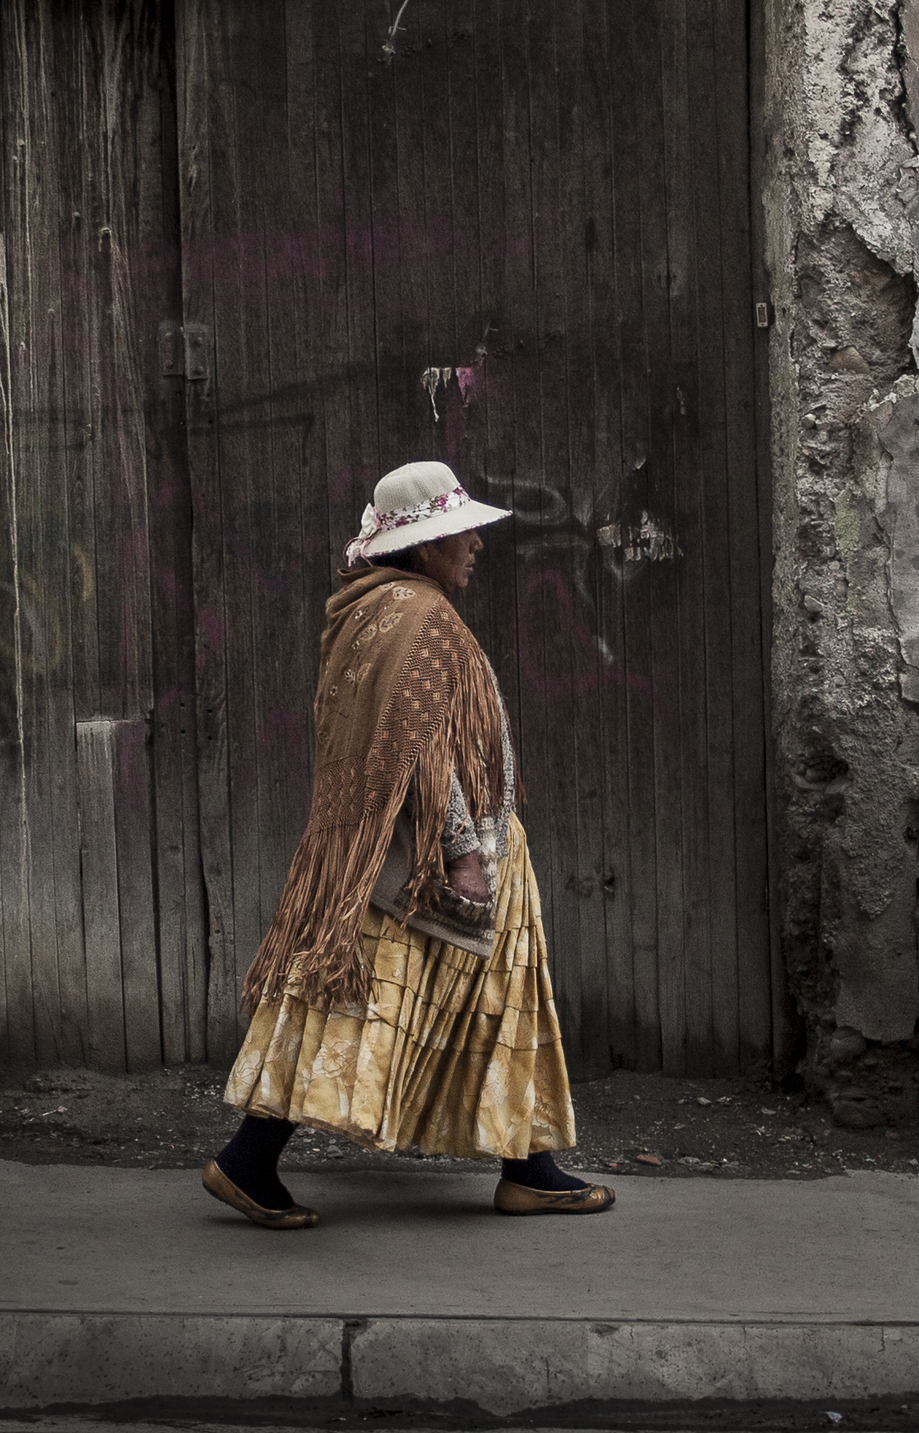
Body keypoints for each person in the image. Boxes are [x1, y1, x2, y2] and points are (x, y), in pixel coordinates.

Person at [202, 461, 613, 1226]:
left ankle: (529, 1165)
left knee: (486, 996)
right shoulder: (419, 617)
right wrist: (462, 849)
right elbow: (421, 747)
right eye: (459, 532)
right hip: (429, 855)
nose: (475, 546)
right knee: (357, 996)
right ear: (422, 545)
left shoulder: (372, 607)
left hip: (390, 845)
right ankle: (248, 1158)